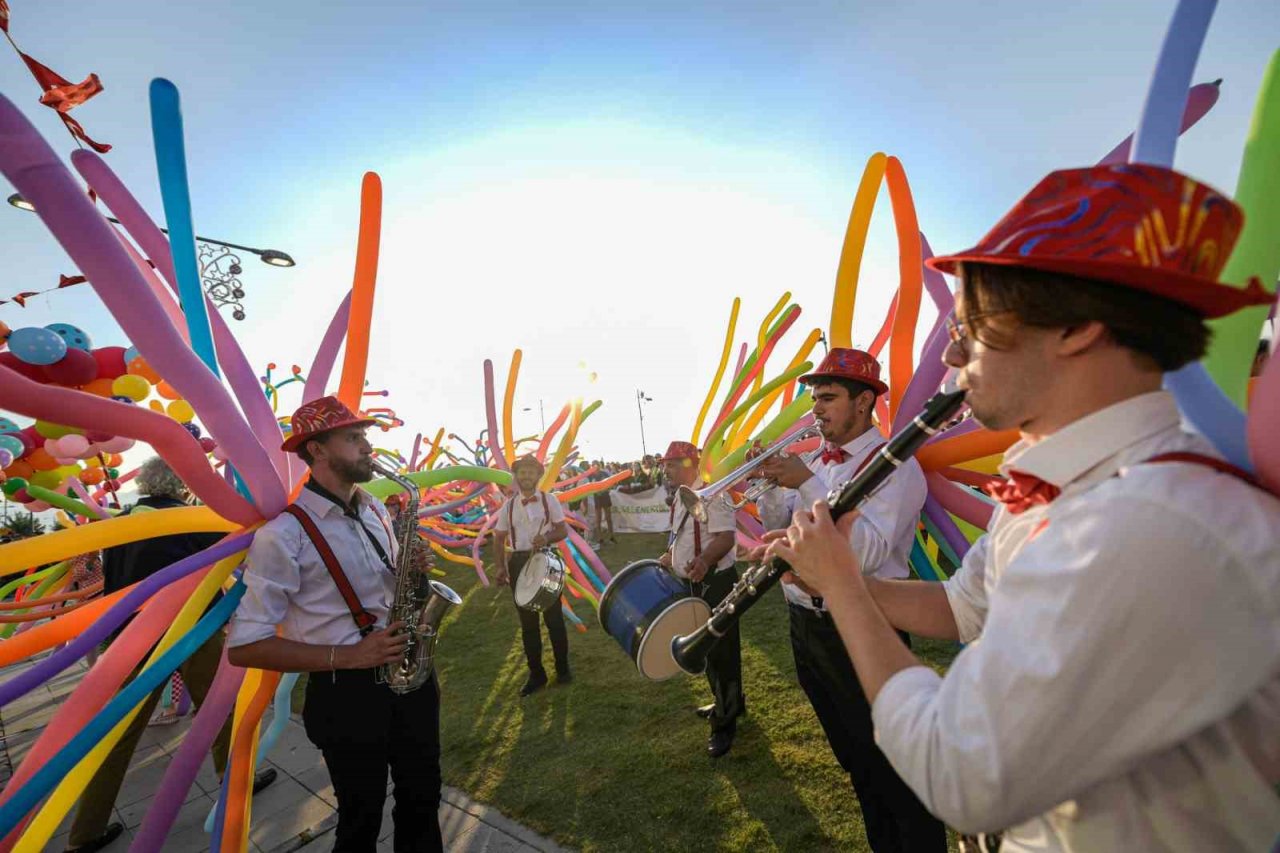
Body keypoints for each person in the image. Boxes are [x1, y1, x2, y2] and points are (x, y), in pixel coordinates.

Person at [768, 163, 1280, 852]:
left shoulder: (1145, 524)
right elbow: (963, 605)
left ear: (1077, 328)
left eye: (974, 321)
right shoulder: (1055, 479)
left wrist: (845, 593)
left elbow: (960, 770)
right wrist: (839, 578)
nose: (952, 349)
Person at [227, 396, 443, 853]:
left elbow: (394, 593)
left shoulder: (376, 510)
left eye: (364, 436)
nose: (367, 448)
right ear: (317, 450)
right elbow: (245, 647)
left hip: (410, 678)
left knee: (422, 800)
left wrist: (415, 573)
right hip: (346, 695)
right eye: (353, 438)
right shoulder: (281, 536)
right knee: (360, 819)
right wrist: (349, 656)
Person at [753, 348, 945, 853]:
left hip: (862, 627)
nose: (816, 409)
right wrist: (770, 485)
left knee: (896, 773)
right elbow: (792, 526)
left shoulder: (897, 467)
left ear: (864, 403)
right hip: (807, 628)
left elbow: (863, 552)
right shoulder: (815, 460)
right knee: (857, 763)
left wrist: (808, 483)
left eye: (828, 398)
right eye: (815, 398)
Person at [66, 458, 276, 853]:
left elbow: (114, 582)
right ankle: (234, 781)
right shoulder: (192, 518)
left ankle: (85, 832)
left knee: (118, 732)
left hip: (134, 635)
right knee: (218, 708)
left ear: (145, 484)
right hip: (192, 629)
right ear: (181, 484)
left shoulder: (122, 523)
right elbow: (224, 562)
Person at [660, 440, 744, 758]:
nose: (665, 469)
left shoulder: (714, 492)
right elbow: (682, 536)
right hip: (695, 583)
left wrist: (704, 560)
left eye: (670, 464)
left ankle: (725, 724)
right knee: (708, 650)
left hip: (715, 582)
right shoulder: (679, 499)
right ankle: (728, 703)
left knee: (722, 652)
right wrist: (671, 557)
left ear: (687, 464)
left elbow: (725, 536)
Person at [492, 455, 571, 697]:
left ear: (538, 476)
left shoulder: (550, 500)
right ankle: (537, 674)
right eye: (522, 472)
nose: (526, 476)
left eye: (531, 472)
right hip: (518, 563)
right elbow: (498, 537)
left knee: (554, 618)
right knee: (527, 623)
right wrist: (499, 567)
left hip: (546, 560)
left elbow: (562, 529)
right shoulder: (508, 506)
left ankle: (563, 669)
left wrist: (546, 538)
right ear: (516, 477)